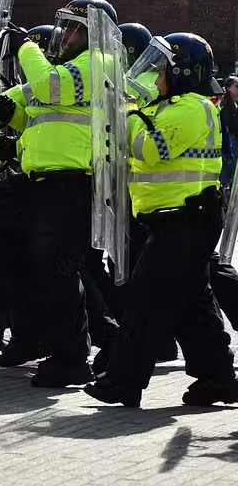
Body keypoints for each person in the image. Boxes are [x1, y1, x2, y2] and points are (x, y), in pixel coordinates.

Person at [85, 33, 238, 407]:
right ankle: (218, 377)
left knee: (146, 300)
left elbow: (150, 150)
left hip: (186, 219)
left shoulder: (192, 107)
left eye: (161, 71)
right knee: (190, 304)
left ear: (182, 71)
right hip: (175, 219)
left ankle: (123, 381)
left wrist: (130, 116)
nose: (155, 79)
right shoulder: (170, 106)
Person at [4, 0, 116, 387]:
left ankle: (72, 358)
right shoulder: (71, 65)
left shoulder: (96, 61)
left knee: (62, 271)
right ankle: (56, 343)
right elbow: (47, 115)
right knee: (52, 269)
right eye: (65, 27)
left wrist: (24, 47)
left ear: (94, 34)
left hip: (71, 181)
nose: (65, 35)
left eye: (74, 29)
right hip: (48, 180)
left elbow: (52, 89)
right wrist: (10, 113)